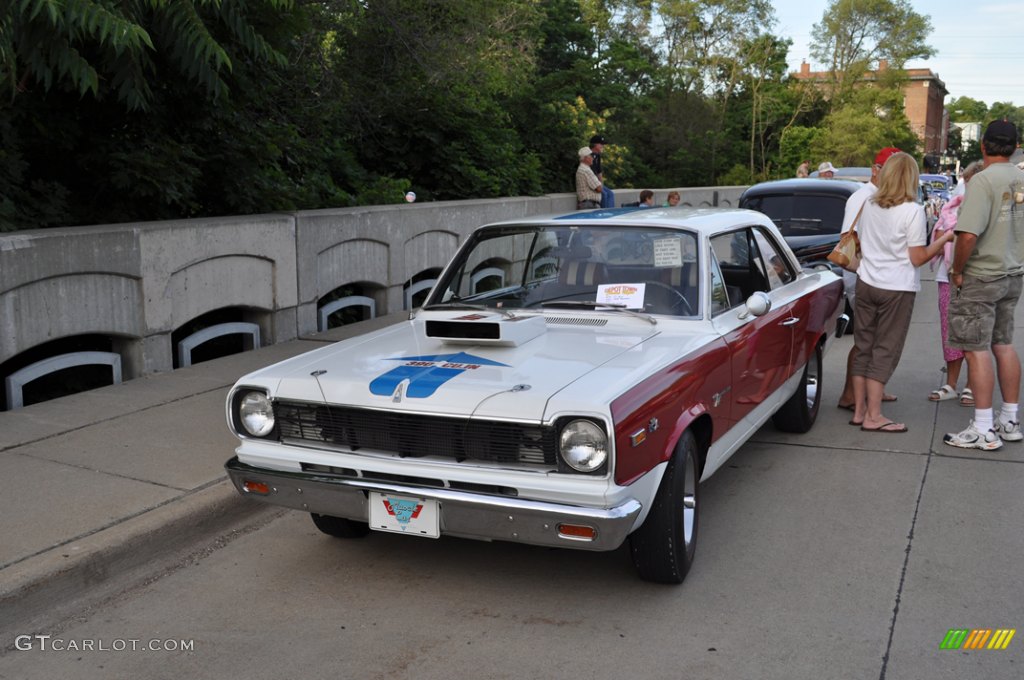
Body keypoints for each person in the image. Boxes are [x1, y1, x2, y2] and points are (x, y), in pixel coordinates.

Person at [850, 153, 954, 432]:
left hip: (866, 282)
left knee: (864, 347)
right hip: (896, 288)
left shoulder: (870, 204)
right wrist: (944, 237)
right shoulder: (912, 211)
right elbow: (917, 258)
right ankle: (874, 416)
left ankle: (859, 410)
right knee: (885, 350)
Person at [943, 119, 1024, 450]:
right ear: (1016, 147)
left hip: (981, 274)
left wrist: (957, 270)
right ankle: (1009, 419)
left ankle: (983, 427)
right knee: (1003, 344)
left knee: (975, 350)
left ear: (984, 146)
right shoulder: (1021, 178)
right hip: (1012, 273)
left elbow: (968, 235)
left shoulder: (982, 181)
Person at [836, 146, 903, 411]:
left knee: (876, 340)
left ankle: (870, 389)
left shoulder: (880, 196)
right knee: (867, 341)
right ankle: (850, 395)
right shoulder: (862, 197)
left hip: (872, 274)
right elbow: (847, 239)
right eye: (889, 170)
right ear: (875, 171)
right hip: (861, 274)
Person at [928, 160, 982, 405]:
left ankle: (972, 385)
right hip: (946, 276)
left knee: (974, 332)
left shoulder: (988, 210)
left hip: (978, 277)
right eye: (968, 183)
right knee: (949, 332)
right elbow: (938, 238)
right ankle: (951, 383)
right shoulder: (952, 208)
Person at [589, 135, 616, 208]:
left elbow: (599, 171)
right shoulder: (588, 155)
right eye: (601, 144)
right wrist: (598, 185)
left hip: (596, 183)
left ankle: (610, 213)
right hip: (590, 183)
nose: (603, 146)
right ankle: (604, 215)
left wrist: (601, 184)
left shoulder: (597, 155)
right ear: (595, 144)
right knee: (604, 194)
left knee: (610, 194)